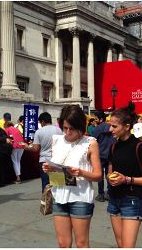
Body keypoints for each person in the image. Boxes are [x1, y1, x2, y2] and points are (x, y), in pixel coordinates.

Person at [42, 105, 102, 248]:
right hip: (59, 195)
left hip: (80, 198)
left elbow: (98, 175)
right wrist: (49, 168)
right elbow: (56, 167)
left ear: (80, 126)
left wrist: (81, 172)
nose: (68, 132)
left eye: (72, 128)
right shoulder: (56, 140)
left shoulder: (90, 143)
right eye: (65, 128)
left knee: (81, 243)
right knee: (63, 243)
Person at [106, 102, 142, 248]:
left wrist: (127, 179)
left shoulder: (139, 147)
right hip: (114, 198)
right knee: (121, 245)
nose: (110, 129)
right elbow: (110, 170)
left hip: (132, 200)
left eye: (114, 126)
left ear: (127, 126)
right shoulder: (113, 146)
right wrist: (110, 177)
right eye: (110, 125)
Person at [30, 112, 63, 192]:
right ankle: (58, 202)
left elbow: (35, 149)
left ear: (43, 121)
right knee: (58, 184)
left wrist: (26, 147)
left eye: (40, 122)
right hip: (56, 160)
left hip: (44, 160)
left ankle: (46, 203)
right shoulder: (59, 130)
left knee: (46, 185)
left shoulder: (39, 132)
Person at [92, 111, 116, 202]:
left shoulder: (98, 129)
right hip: (110, 154)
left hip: (100, 155)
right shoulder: (111, 127)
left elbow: (93, 142)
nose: (95, 120)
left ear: (101, 119)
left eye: (96, 119)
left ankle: (101, 194)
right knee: (109, 174)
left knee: (100, 175)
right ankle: (109, 193)